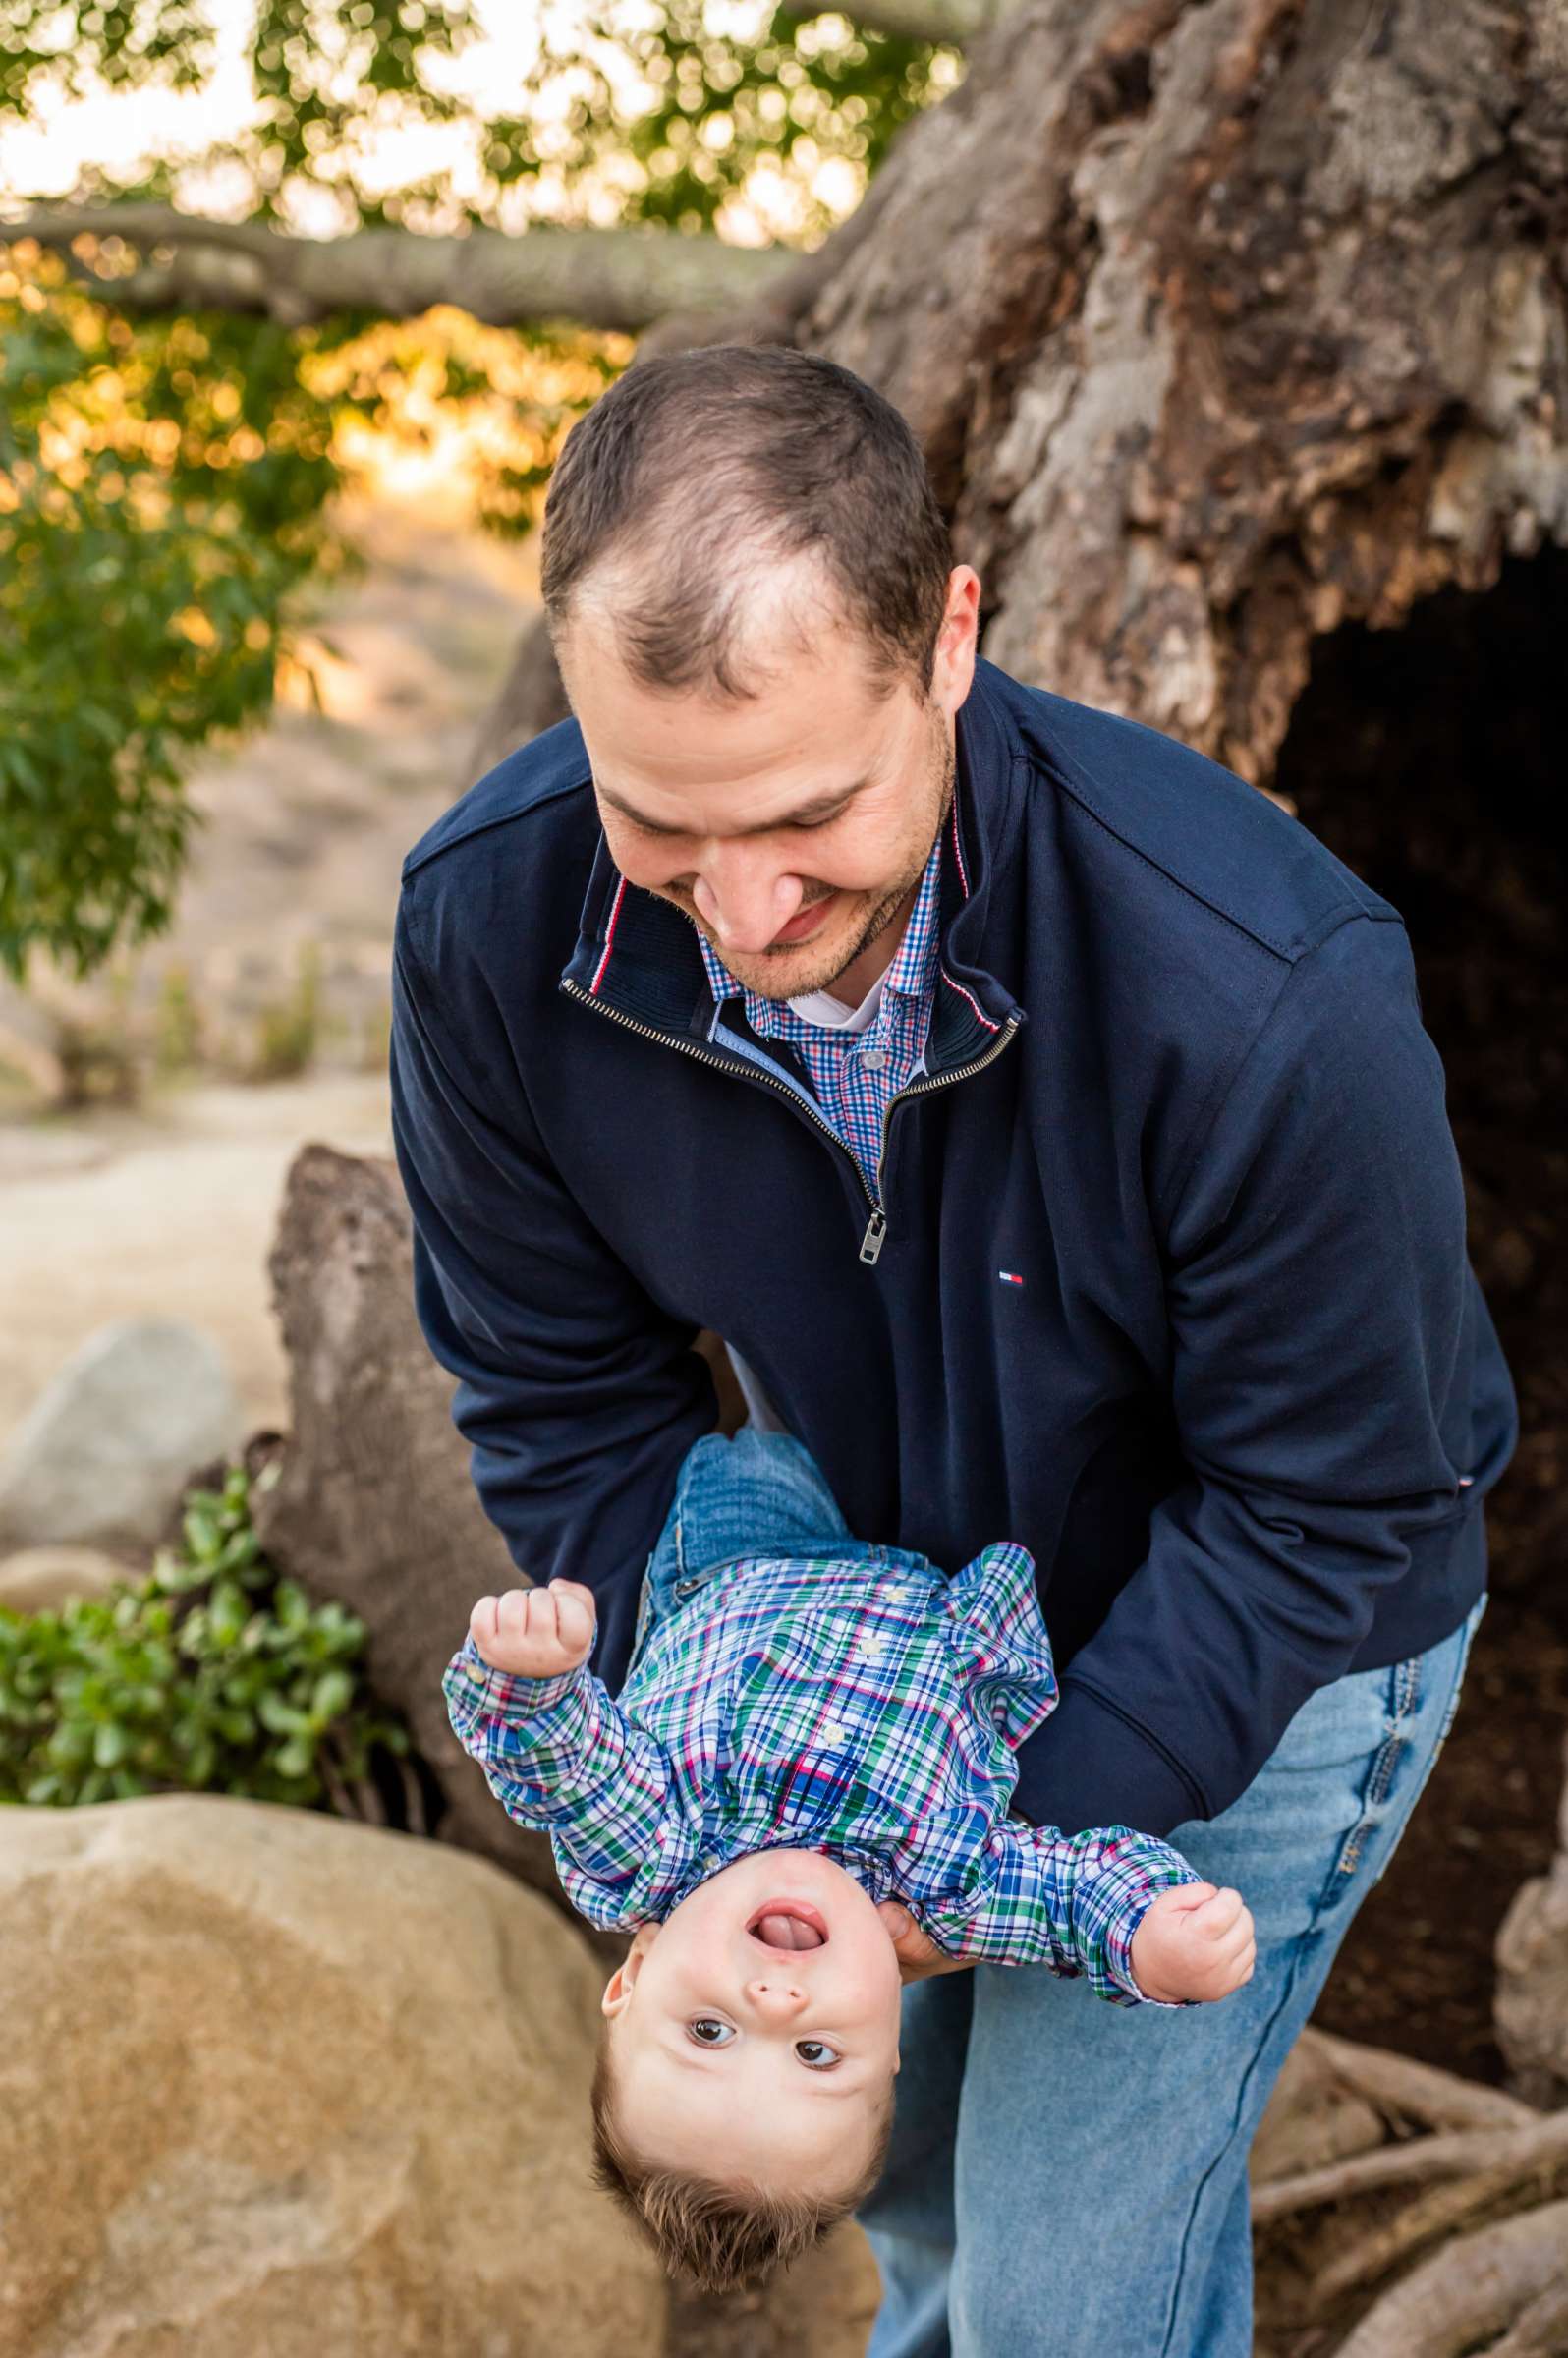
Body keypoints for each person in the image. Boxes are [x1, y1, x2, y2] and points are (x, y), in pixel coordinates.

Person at [388, 341, 1518, 2355]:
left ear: (953, 638)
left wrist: (970, 1861)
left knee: (1070, 2307)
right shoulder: (486, 923)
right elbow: (560, 1395)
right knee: (899, 2194)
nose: (737, 909)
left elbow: (1325, 1507)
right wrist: (743, 1707)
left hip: (1268, 1617)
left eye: (812, 815)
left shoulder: (1266, 992)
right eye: (660, 826)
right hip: (831, 1633)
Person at [440, 1426, 1257, 2292]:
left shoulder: (651, 1854)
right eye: (817, 2055)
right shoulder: (950, 1892)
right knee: (1043, 1466)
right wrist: (1150, 1939)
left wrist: (529, 1677)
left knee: (761, 1448)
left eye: (710, 2032)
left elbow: (560, 1767)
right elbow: (1067, 1900)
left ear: (633, 1977)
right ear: (889, 2043)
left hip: (752, 1556)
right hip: (955, 1580)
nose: (777, 2000)